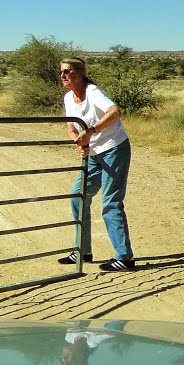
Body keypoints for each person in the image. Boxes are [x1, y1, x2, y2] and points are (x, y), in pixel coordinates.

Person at [57, 57, 136, 272]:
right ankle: (83, 250)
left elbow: (114, 112)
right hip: (93, 154)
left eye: (68, 71)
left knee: (110, 202)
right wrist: (78, 142)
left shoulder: (93, 92)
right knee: (78, 196)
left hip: (113, 149)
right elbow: (71, 127)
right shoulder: (68, 98)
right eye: (61, 72)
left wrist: (90, 131)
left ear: (80, 72)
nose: (63, 75)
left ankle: (124, 256)